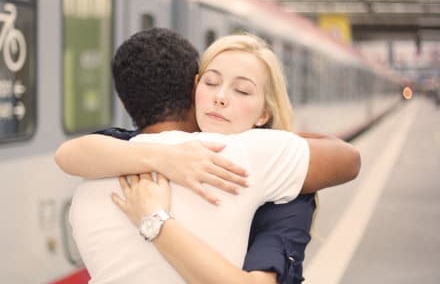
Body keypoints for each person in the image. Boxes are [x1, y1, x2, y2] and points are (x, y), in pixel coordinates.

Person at [55, 28, 360, 283]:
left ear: (264, 113)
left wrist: (156, 221)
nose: (220, 97)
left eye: (242, 91)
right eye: (211, 83)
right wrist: (167, 159)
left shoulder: (89, 187)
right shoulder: (256, 157)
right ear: (194, 89)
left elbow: (69, 154)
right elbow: (346, 159)